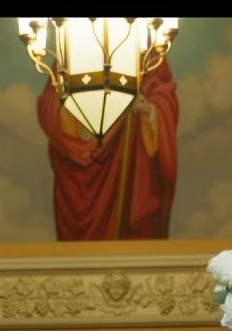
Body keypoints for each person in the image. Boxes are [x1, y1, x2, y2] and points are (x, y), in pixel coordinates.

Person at [38, 58, 177, 240]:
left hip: (130, 165)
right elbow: (49, 103)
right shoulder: (72, 42)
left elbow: (165, 99)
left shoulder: (147, 46)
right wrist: (77, 115)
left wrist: (148, 111)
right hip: (79, 174)